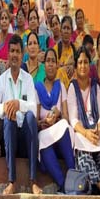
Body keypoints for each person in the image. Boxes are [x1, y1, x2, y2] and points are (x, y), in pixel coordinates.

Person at [0, 34, 42, 196]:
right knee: (8, 120)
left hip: (26, 139)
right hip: (10, 139)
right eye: (12, 51)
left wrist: (19, 104)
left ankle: (33, 181)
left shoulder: (28, 79)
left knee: (30, 117)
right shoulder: (2, 80)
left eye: (18, 51)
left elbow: (34, 109)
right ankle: (12, 181)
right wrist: (5, 108)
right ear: (7, 54)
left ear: (22, 54)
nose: (14, 55)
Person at [67, 46, 100, 196]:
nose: (83, 66)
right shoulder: (72, 87)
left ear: (90, 65)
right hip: (83, 132)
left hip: (96, 130)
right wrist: (86, 133)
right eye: (80, 62)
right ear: (76, 66)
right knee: (78, 139)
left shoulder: (95, 86)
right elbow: (73, 119)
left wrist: (99, 129)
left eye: (85, 62)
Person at [36, 49, 75, 191]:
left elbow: (66, 118)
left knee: (64, 124)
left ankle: (72, 174)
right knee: (41, 139)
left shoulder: (61, 86)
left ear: (57, 65)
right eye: (48, 61)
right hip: (46, 133)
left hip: (61, 138)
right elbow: (35, 120)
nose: (51, 64)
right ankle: (63, 184)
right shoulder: (37, 87)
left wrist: (58, 114)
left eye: (53, 61)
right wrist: (44, 122)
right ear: (44, 65)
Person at [56, 16, 76, 89]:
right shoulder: (55, 49)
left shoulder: (75, 50)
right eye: (64, 28)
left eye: (68, 28)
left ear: (71, 32)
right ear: (60, 31)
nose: (66, 31)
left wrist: (73, 66)